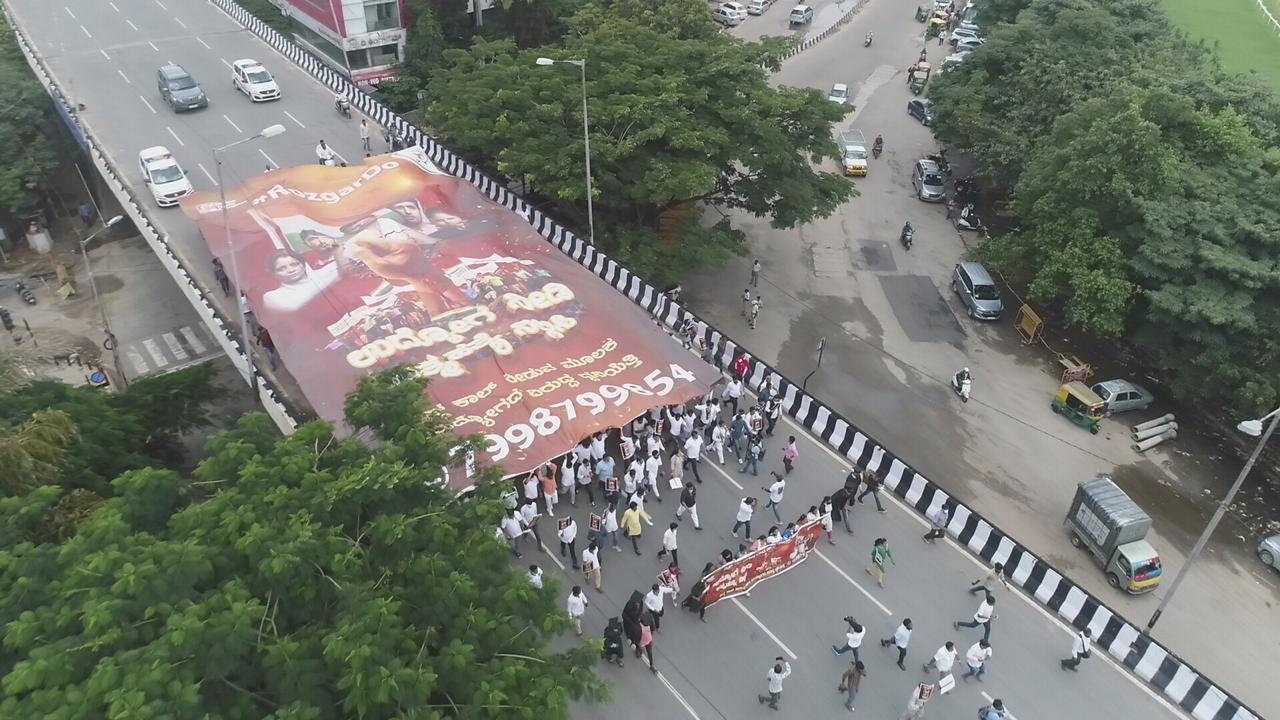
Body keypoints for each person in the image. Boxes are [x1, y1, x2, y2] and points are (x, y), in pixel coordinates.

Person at [260, 251, 340, 314]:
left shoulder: (324, 274)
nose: (291, 270)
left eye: (294, 264)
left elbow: (344, 265)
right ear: (273, 273)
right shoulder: (272, 297)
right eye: (281, 269)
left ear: (303, 264)